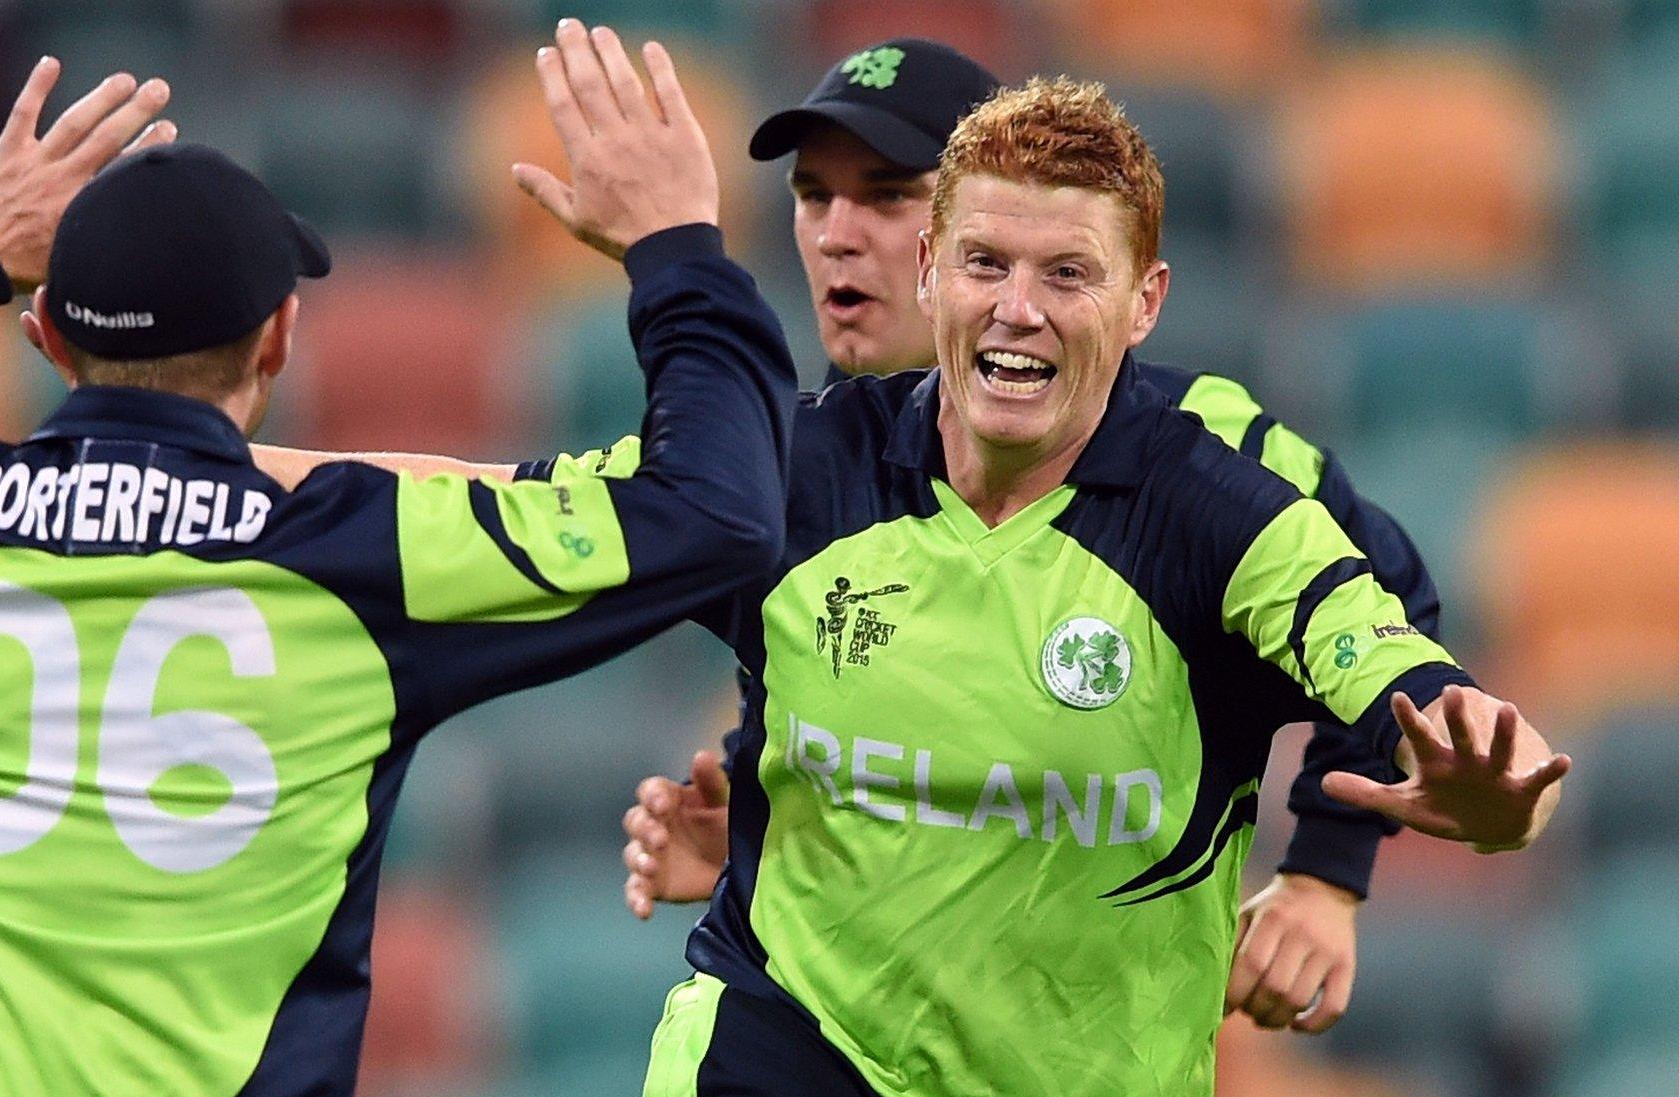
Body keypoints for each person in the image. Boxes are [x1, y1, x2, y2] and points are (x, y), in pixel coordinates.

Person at [0, 32, 796, 1097]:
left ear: (45, 336)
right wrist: (678, 249)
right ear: (277, 341)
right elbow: (715, 509)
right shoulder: (364, 552)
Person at [528, 75, 1568, 1097]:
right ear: (938, 267)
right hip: (794, 1048)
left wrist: (1346, 868)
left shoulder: (1222, 496)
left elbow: (1406, 666)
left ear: (1142, 301)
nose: (841, 239)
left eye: (1064, 273)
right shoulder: (792, 462)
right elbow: (499, 513)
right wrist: (779, 813)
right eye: (984, 262)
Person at [615, 39, 1446, 1038]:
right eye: (811, 195)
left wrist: (1323, 873)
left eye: (885, 196)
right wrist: (773, 828)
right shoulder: (819, 450)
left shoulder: (1206, 450)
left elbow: (1387, 617)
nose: (837, 234)